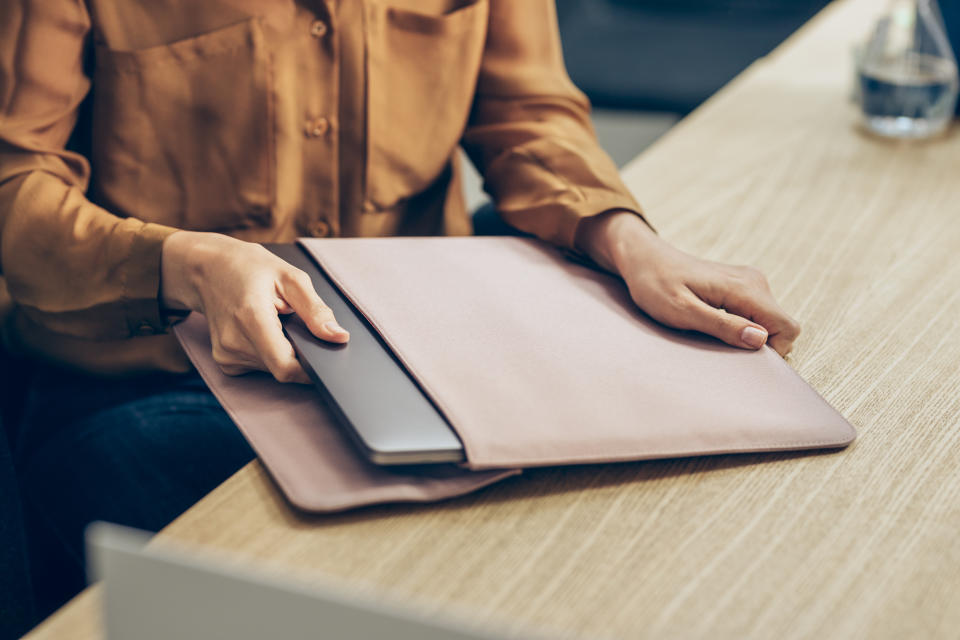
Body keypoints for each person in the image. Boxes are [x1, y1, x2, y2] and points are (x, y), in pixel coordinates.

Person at [0, 0, 801, 628]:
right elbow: (13, 185)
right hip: (147, 376)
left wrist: (623, 239)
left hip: (424, 343)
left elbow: (528, 111)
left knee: (617, 544)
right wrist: (180, 263)